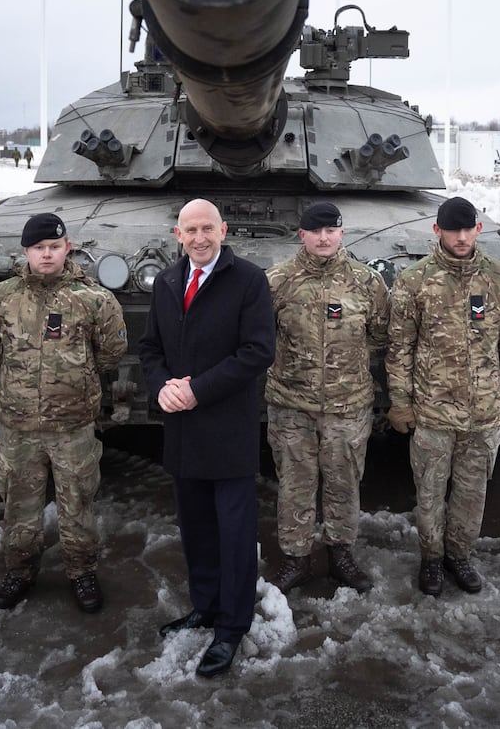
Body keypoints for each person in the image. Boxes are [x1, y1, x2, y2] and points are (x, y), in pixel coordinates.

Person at [138, 198, 275, 678]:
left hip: (226, 427)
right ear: (178, 235)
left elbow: (258, 351)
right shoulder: (170, 281)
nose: (199, 237)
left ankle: (232, 626)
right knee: (195, 527)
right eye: (190, 230)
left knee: (234, 533)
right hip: (181, 427)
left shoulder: (249, 280)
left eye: (208, 229)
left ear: (224, 230)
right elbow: (150, 347)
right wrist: (161, 387)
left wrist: (198, 389)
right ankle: (206, 606)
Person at [0, 212, 127, 613]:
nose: (47, 255)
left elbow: (111, 352)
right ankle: (20, 571)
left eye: (54, 247)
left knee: (77, 502)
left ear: (67, 248)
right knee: (19, 503)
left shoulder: (93, 299)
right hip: (19, 424)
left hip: (73, 423)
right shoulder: (1, 298)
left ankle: (82, 570)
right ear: (25, 251)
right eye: (39, 248)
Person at [385, 196, 500, 597]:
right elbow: (399, 347)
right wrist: (400, 402)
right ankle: (431, 558)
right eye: (452, 230)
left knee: (471, 491)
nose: (461, 237)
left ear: (478, 229)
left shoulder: (499, 278)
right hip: (432, 410)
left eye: (468, 229)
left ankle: (459, 556)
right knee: (429, 491)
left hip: (483, 410)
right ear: (438, 231)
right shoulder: (415, 280)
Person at [265, 201, 389, 596]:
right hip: (291, 405)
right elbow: (260, 337)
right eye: (315, 231)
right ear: (301, 234)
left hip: (347, 405)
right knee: (294, 484)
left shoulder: (366, 282)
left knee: (344, 483)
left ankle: (341, 555)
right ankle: (296, 558)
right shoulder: (278, 281)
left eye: (331, 230)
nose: (323, 238)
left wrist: (345, 371)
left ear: (341, 233)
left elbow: (381, 335)